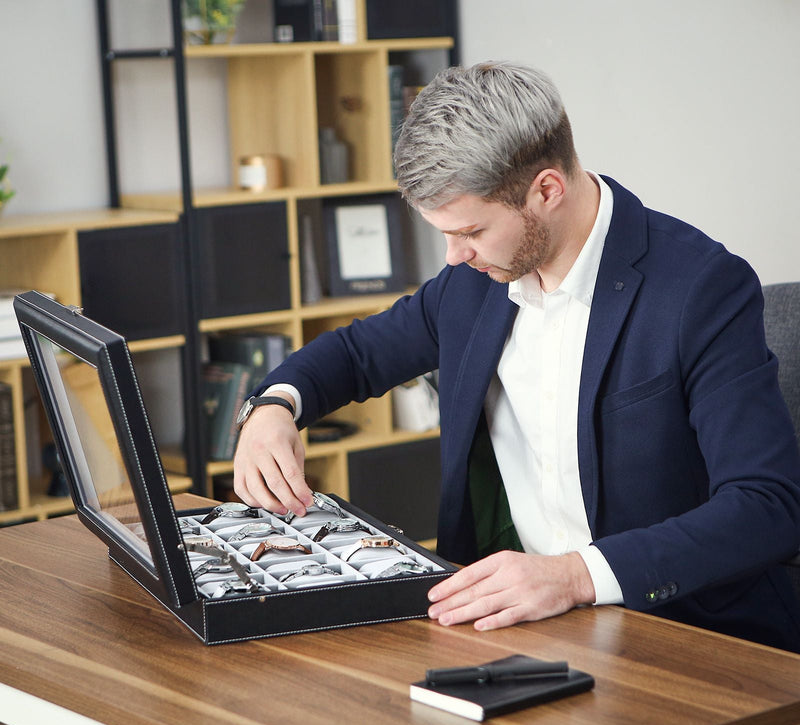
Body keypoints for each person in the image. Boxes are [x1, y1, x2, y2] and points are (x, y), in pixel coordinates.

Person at [233, 61, 800, 652]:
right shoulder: (475, 280)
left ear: (546, 190)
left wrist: (574, 576)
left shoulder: (701, 288)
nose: (453, 257)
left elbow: (767, 505)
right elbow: (356, 354)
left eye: (470, 231)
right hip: (516, 628)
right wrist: (273, 405)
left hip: (681, 633)